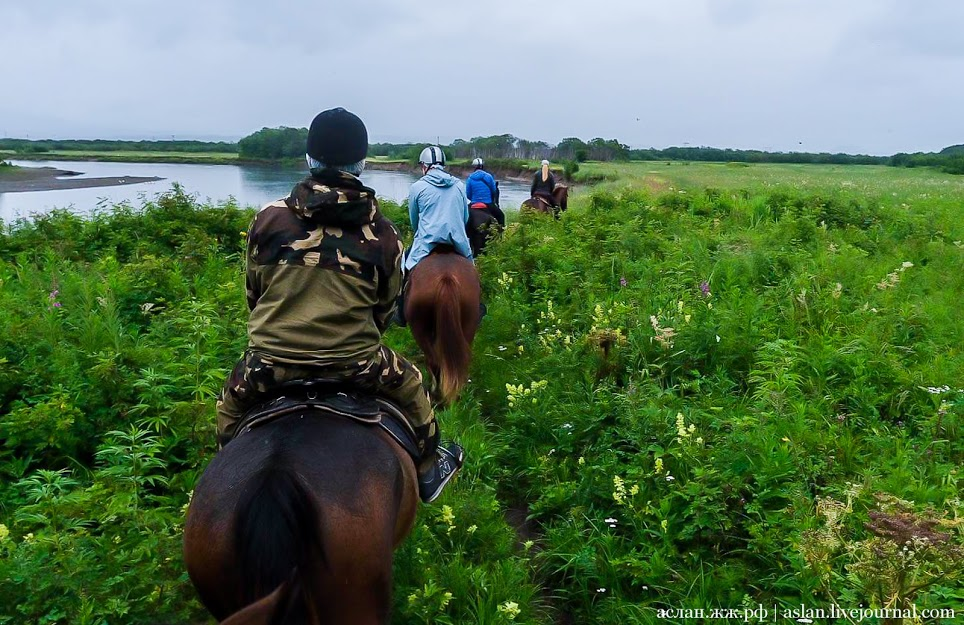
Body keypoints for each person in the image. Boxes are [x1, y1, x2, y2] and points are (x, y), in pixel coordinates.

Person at [215, 108, 463, 504]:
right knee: (415, 389)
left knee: (228, 416)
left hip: (269, 364)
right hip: (355, 363)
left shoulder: (268, 218)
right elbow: (383, 312)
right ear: (361, 164)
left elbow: (254, 293)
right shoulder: (384, 234)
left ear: (310, 160)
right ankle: (430, 471)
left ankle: (226, 481)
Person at [464, 157, 505, 227]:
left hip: (474, 203)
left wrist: (475, 199)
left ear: (474, 167)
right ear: (482, 166)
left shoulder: (470, 178)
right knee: (501, 216)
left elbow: (468, 194)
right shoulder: (489, 176)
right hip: (488, 203)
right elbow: (494, 190)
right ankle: (501, 233)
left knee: (463, 217)